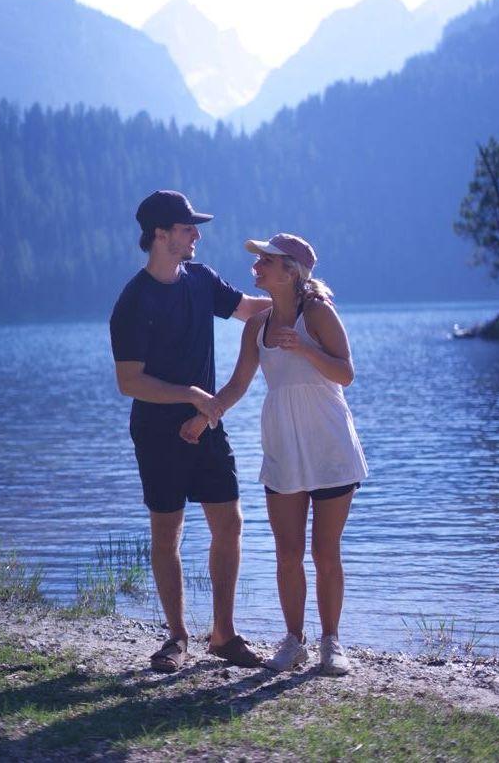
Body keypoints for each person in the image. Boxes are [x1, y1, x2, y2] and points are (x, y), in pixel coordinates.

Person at [180, 233, 368, 676]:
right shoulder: (256, 326)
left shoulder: (318, 313)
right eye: (259, 259)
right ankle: (294, 641)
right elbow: (238, 385)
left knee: (325, 552)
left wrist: (304, 347)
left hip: (330, 445)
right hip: (283, 444)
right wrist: (206, 415)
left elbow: (346, 373)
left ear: (290, 271)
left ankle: (331, 642)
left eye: (266, 260)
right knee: (287, 553)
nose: (257, 266)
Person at [110, 190, 271, 673]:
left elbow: (249, 309)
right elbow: (129, 382)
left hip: (207, 427)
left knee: (230, 524)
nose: (196, 234)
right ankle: (177, 638)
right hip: (157, 433)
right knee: (168, 533)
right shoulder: (133, 301)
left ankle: (223, 634)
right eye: (187, 228)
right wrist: (192, 394)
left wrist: (300, 298)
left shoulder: (201, 280)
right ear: (161, 235)